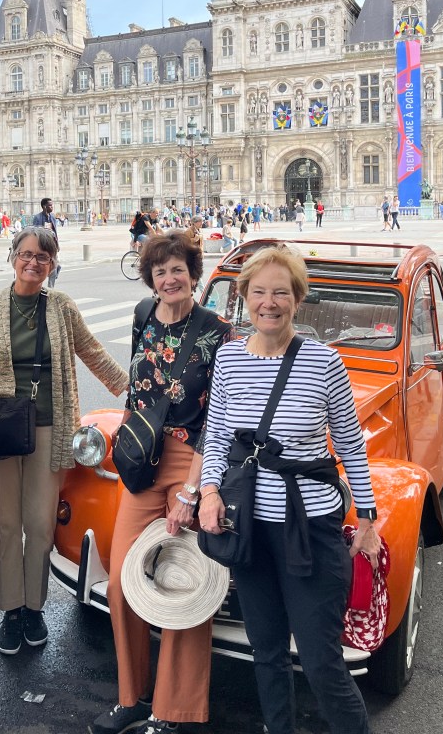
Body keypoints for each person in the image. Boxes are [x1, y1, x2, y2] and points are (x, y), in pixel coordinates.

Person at [199, 245, 380, 734]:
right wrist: (210, 492)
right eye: (259, 292)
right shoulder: (228, 360)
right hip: (250, 528)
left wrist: (367, 517)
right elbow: (217, 436)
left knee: (321, 661)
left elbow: (350, 444)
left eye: (281, 292)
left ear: (298, 299)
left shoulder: (324, 362)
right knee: (267, 651)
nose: (269, 303)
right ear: (245, 298)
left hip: (311, 528)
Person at [92, 231, 231, 734]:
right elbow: (136, 390)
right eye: (160, 271)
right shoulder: (142, 316)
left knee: (184, 581)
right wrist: (127, 444)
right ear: (150, 279)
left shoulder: (218, 331)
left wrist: (194, 490)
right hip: (143, 459)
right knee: (121, 581)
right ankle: (132, 695)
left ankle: (174, 711)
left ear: (194, 274)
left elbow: (218, 417)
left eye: (178, 270)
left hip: (192, 460)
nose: (170, 279)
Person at [0, 227, 128, 655]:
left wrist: (135, 392)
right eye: (26, 254)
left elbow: (92, 351)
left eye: (43, 257)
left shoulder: (61, 306)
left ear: (52, 264)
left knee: (41, 523)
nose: (33, 263)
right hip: (3, 428)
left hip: (50, 428)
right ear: (13, 257)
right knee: (7, 525)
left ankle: (34, 607)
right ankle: (11, 610)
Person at [32, 197, 61, 288]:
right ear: (45, 207)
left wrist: (57, 244)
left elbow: (55, 231)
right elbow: (35, 233)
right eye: (50, 205)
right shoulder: (37, 217)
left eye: (52, 205)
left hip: (52, 245)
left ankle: (50, 288)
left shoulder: (52, 216)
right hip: (42, 246)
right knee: (44, 268)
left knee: (56, 266)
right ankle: (38, 287)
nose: (52, 207)